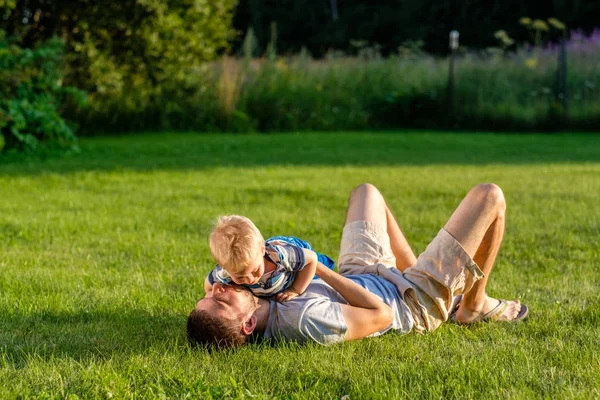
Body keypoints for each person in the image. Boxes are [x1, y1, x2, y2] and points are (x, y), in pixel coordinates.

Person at [188, 183, 528, 348]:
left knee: (367, 193)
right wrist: (319, 269)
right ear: (248, 325)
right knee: (490, 197)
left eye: (211, 293)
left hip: (363, 275)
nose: (219, 288)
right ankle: (471, 307)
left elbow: (219, 278)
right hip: (409, 304)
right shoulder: (304, 321)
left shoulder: (248, 288)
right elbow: (382, 316)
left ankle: (421, 274)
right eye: (220, 300)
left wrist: (220, 291)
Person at [205, 215, 335, 302]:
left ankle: (329, 264)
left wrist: (295, 289)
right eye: (240, 277)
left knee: (320, 268)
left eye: (255, 271)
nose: (250, 279)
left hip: (291, 249)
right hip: (263, 259)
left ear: (262, 250)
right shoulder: (226, 271)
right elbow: (209, 284)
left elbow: (311, 260)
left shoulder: (281, 257)